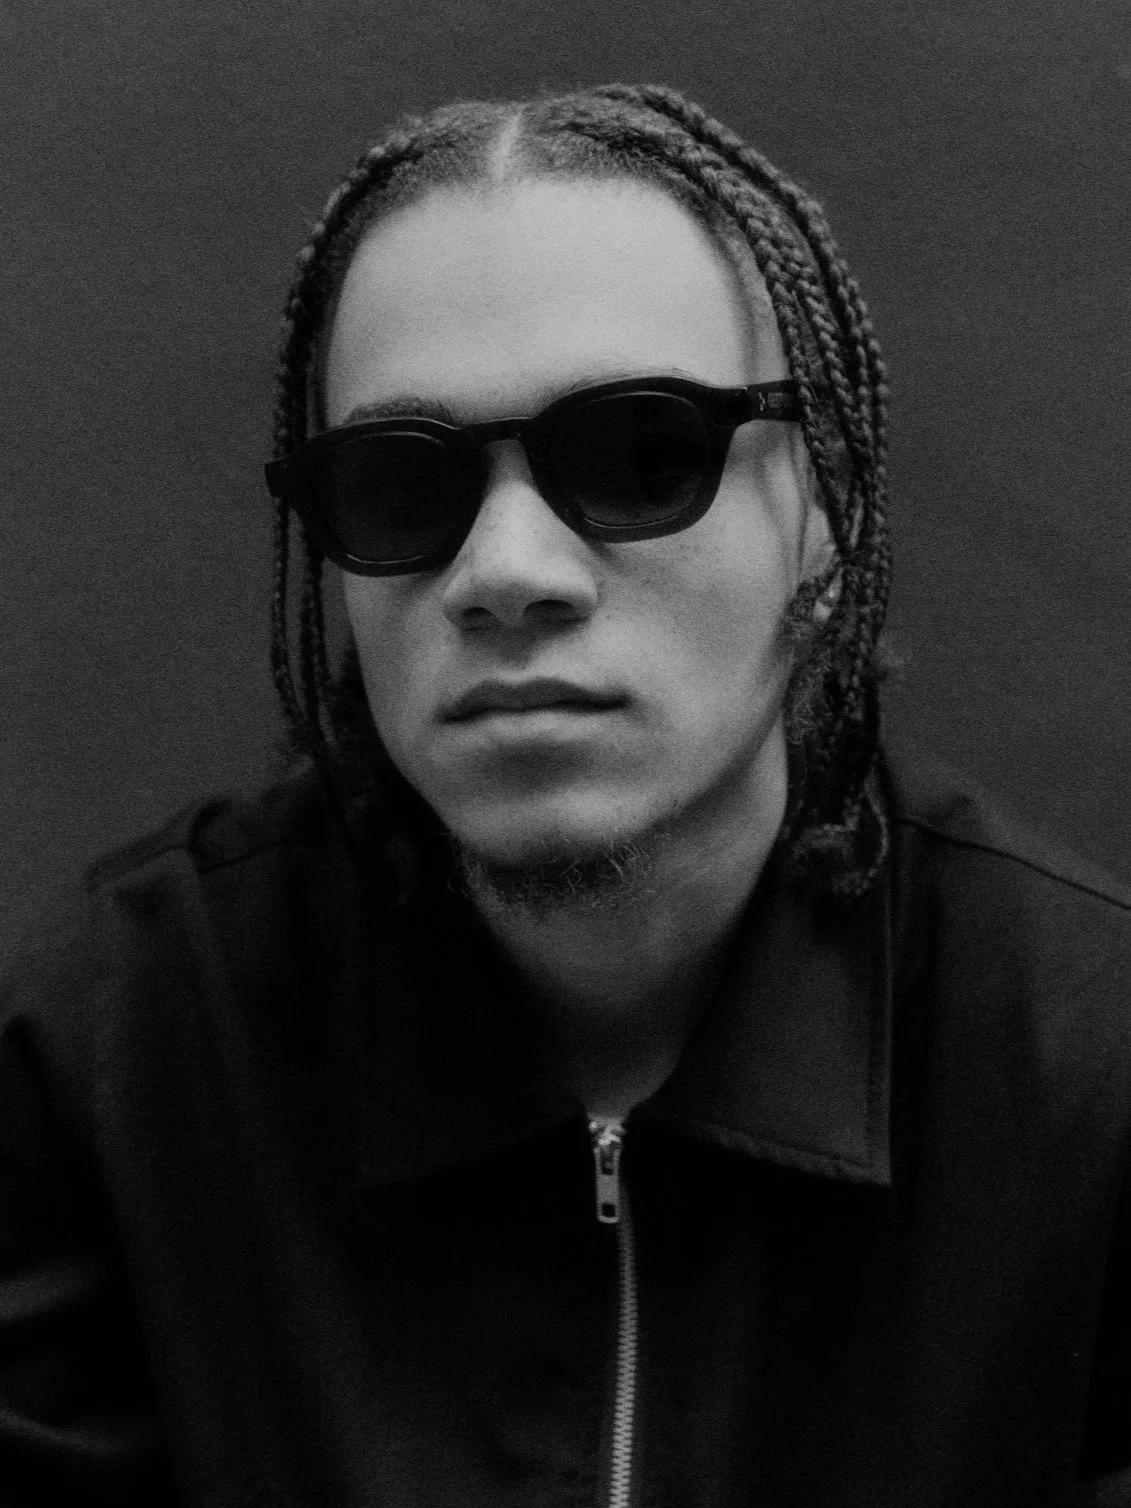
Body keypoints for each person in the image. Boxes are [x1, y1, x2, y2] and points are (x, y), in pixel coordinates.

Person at [1, 82, 1129, 1508]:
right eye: (400, 483)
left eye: (640, 453)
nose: (507, 572)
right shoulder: (121, 1050)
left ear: (824, 517)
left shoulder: (1083, 1071)